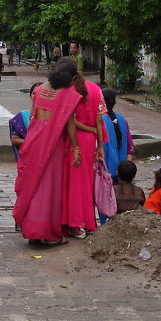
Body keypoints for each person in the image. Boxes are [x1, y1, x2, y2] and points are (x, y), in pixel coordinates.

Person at [12, 64, 82, 247]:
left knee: (32, 185)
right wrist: (76, 148)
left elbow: (34, 115)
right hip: (53, 143)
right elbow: (70, 124)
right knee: (50, 188)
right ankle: (49, 234)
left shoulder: (40, 89)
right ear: (72, 79)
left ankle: (33, 231)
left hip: (34, 139)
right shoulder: (68, 94)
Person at [61, 59, 106, 238]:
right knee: (86, 183)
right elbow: (100, 121)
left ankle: (73, 223)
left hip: (72, 140)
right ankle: (87, 222)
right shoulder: (96, 89)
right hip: (90, 142)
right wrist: (100, 145)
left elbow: (70, 121)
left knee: (71, 182)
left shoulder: (68, 91)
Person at [100, 88, 135, 181]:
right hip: (122, 173)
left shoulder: (100, 121)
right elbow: (130, 147)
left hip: (105, 171)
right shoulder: (122, 119)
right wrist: (126, 170)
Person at [8, 82, 41, 163]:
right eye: (34, 93)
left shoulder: (51, 118)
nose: (36, 96)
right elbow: (14, 140)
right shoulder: (22, 116)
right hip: (27, 160)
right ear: (30, 96)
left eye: (40, 93)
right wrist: (32, 141)